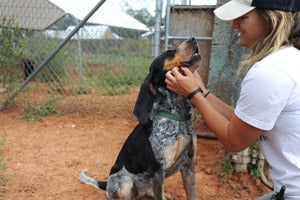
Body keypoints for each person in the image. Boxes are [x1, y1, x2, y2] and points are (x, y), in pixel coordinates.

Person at [165, 0, 300, 199]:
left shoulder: (270, 71)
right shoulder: (288, 59)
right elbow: (242, 121)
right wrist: (203, 92)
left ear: (272, 20)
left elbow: (235, 141)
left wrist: (193, 95)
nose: (233, 24)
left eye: (243, 17)